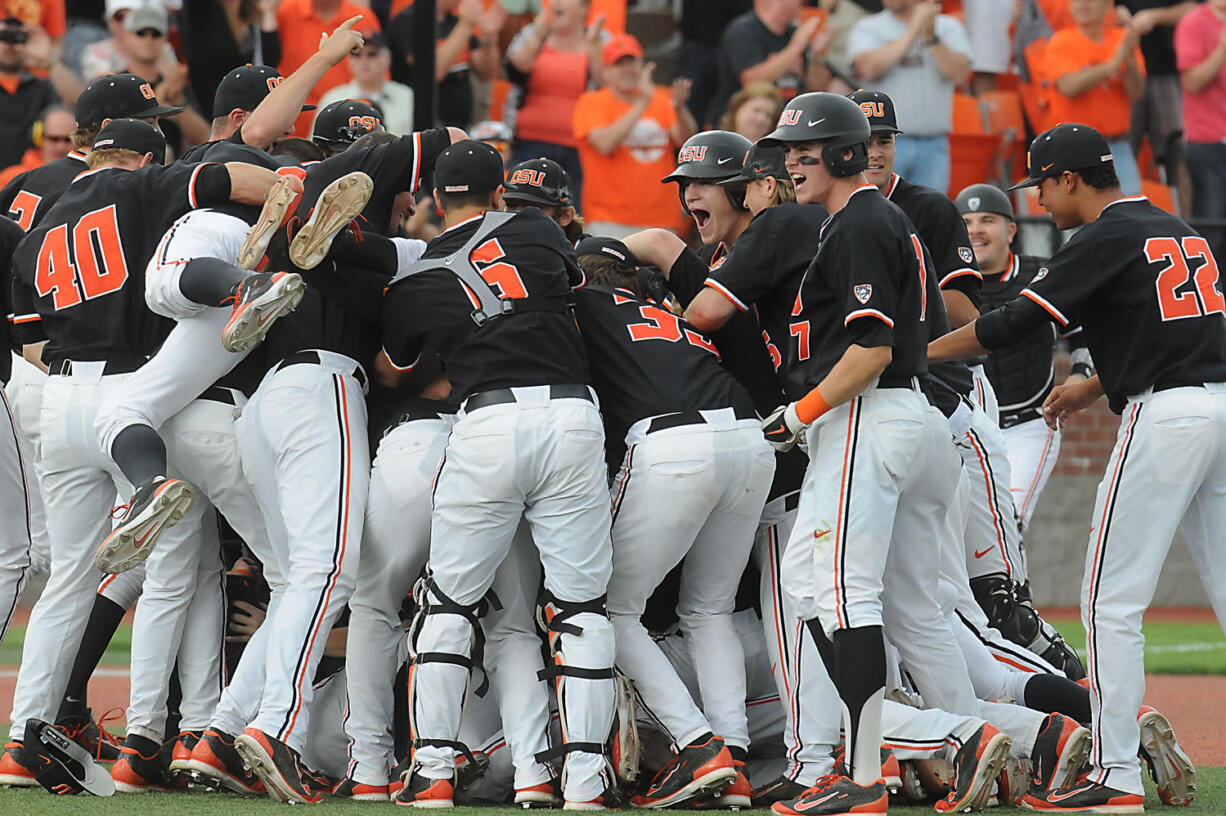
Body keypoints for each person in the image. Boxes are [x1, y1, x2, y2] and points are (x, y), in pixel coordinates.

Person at [929, 121, 1226, 812]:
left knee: (1107, 600)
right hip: (1217, 404)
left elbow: (1010, 325)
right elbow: (1184, 324)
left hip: (1170, 417)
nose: (1038, 203)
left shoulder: (1102, 236)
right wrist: (1099, 381)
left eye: (1042, 187)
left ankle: (1114, 772)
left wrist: (918, 352)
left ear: (1069, 179)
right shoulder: (1174, 225)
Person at [0, 119, 284, 788]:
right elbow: (230, 178)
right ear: (145, 152)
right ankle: (150, 736)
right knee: (172, 573)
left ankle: (20, 740)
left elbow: (30, 338)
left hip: (63, 395)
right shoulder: (142, 186)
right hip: (137, 393)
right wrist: (295, 186)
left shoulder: (40, 231)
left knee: (68, 581)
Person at [382, 141, 618, 809]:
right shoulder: (538, 227)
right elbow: (569, 290)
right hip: (571, 414)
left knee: (451, 604)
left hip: (484, 423)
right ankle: (585, 783)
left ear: (433, 198)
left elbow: (397, 362)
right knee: (581, 609)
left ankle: (431, 771)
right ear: (498, 192)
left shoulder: (416, 274)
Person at [571, 237, 774, 808]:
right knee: (710, 609)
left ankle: (695, 745)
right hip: (747, 437)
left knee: (609, 609)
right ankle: (732, 755)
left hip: (671, 441)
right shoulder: (662, 309)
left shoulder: (582, 302)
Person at [955, 182, 1093, 535]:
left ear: (1011, 230)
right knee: (966, 533)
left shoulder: (1042, 275)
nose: (976, 230)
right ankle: (1016, 588)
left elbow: (1084, 333)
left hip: (1028, 424)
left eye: (987, 219)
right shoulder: (946, 283)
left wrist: (1079, 372)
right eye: (966, 222)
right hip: (963, 428)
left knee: (1006, 520)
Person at [572, 33, 697, 238]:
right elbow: (605, 144)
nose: (627, 70)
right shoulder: (591, 102)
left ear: (643, 66)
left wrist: (680, 108)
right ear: (606, 72)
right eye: (619, 64)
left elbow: (685, 141)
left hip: (661, 219)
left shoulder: (662, 97)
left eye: (632, 63)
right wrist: (641, 104)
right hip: (608, 220)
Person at [847, 0, 972, 193]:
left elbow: (960, 74)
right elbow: (867, 68)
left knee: (931, 214)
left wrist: (931, 37)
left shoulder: (947, 26)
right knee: (880, 209)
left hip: (933, 141)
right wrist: (914, 31)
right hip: (881, 142)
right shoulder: (869, 27)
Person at [1036, 0, 1145, 195]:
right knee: (1078, 215)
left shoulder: (1122, 39)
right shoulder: (1060, 41)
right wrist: (1114, 63)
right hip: (1073, 148)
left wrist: (1129, 62)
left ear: (1107, 6)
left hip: (1117, 146)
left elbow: (1136, 92)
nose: (1083, 4)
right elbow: (1069, 86)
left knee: (1127, 212)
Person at [503, 0, 605, 204]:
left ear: (584, 8)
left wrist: (593, 47)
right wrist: (538, 34)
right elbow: (512, 70)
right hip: (528, 143)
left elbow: (607, 87)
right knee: (522, 206)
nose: (557, 3)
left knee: (570, 211)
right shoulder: (534, 33)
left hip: (578, 150)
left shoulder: (600, 38)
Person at [1117, 0, 1196, 216]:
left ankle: (1185, 229)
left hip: (1167, 70)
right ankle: (1119, 228)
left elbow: (1195, 7)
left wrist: (1155, 16)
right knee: (1118, 152)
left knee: (1179, 153)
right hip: (1121, 71)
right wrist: (1113, 12)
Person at [708, 0, 832, 128]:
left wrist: (816, 56)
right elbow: (752, 80)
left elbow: (816, 89)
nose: (803, 2)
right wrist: (796, 47)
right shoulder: (743, 30)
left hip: (787, 122)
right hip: (741, 125)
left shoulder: (794, 34)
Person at [387, 0, 503, 129]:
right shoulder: (408, 20)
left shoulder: (454, 21)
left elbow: (486, 74)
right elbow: (431, 73)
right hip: (425, 124)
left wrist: (488, 38)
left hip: (462, 123)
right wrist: (465, 26)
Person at [274, 0, 380, 133]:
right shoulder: (286, 11)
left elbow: (378, 69)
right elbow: (269, 58)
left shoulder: (362, 16)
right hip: (292, 124)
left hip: (344, 125)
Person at [116, 4, 210, 154]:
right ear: (127, 36)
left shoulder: (176, 84)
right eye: (141, 33)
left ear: (165, 38)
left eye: (155, 33)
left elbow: (206, 137)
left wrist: (178, 105)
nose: (148, 39)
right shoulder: (115, 84)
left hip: (171, 169)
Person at [180, 0, 282, 121]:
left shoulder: (254, 12)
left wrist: (268, 13)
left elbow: (269, 61)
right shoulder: (202, 11)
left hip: (250, 113)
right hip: (211, 112)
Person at [1175, 0, 1226, 219]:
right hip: (1209, 141)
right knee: (1211, 224)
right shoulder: (1193, 23)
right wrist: (1223, 49)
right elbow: (1193, 82)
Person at [316, 33, 414, 135]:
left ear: (388, 58)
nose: (364, 60)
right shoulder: (332, 99)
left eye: (372, 54)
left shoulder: (408, 97)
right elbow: (318, 145)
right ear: (348, 61)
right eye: (356, 54)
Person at [677, 0, 753, 127]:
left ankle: (724, 143)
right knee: (692, 105)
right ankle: (694, 145)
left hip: (738, 37)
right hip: (698, 40)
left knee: (731, 102)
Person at [0, 17, 62, 170]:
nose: (10, 45)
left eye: (18, 39)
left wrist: (47, 60)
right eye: (4, 37)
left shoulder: (43, 87)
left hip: (30, 179)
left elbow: (76, 101)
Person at [0, 103, 74, 189]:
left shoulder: (87, 180)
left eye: (68, 140)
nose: (61, 147)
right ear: (38, 137)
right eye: (54, 139)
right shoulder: (11, 179)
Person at [718, 80, 785, 143]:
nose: (761, 119)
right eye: (756, 110)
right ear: (738, 108)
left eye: (768, 115)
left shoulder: (776, 154)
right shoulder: (714, 144)